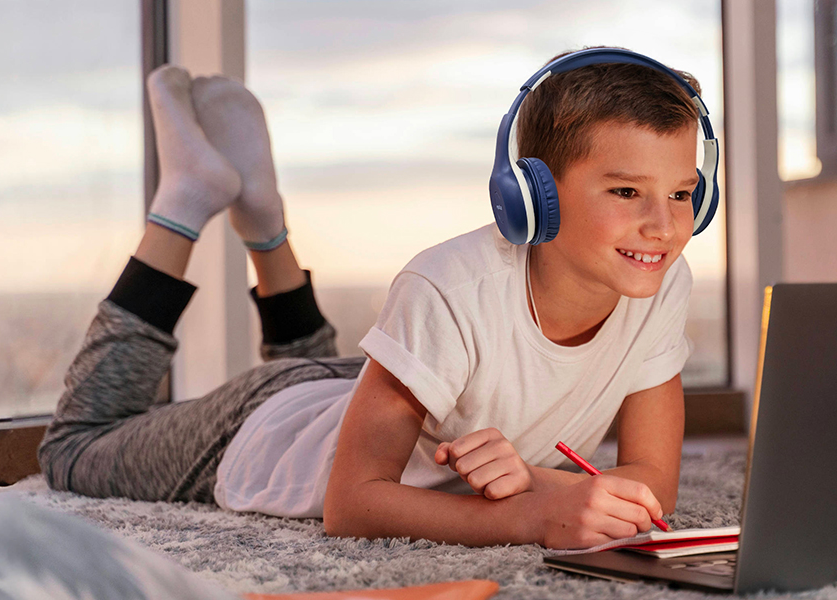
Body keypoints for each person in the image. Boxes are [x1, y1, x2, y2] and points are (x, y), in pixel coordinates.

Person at [39, 48, 703, 550]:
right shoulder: (448, 287)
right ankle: (184, 201)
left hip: (365, 391)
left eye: (682, 193)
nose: (664, 225)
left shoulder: (660, 281)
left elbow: (652, 487)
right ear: (534, 194)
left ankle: (265, 222)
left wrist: (535, 478)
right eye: (625, 192)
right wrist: (526, 514)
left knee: (350, 394)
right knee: (73, 449)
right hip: (263, 432)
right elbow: (350, 504)